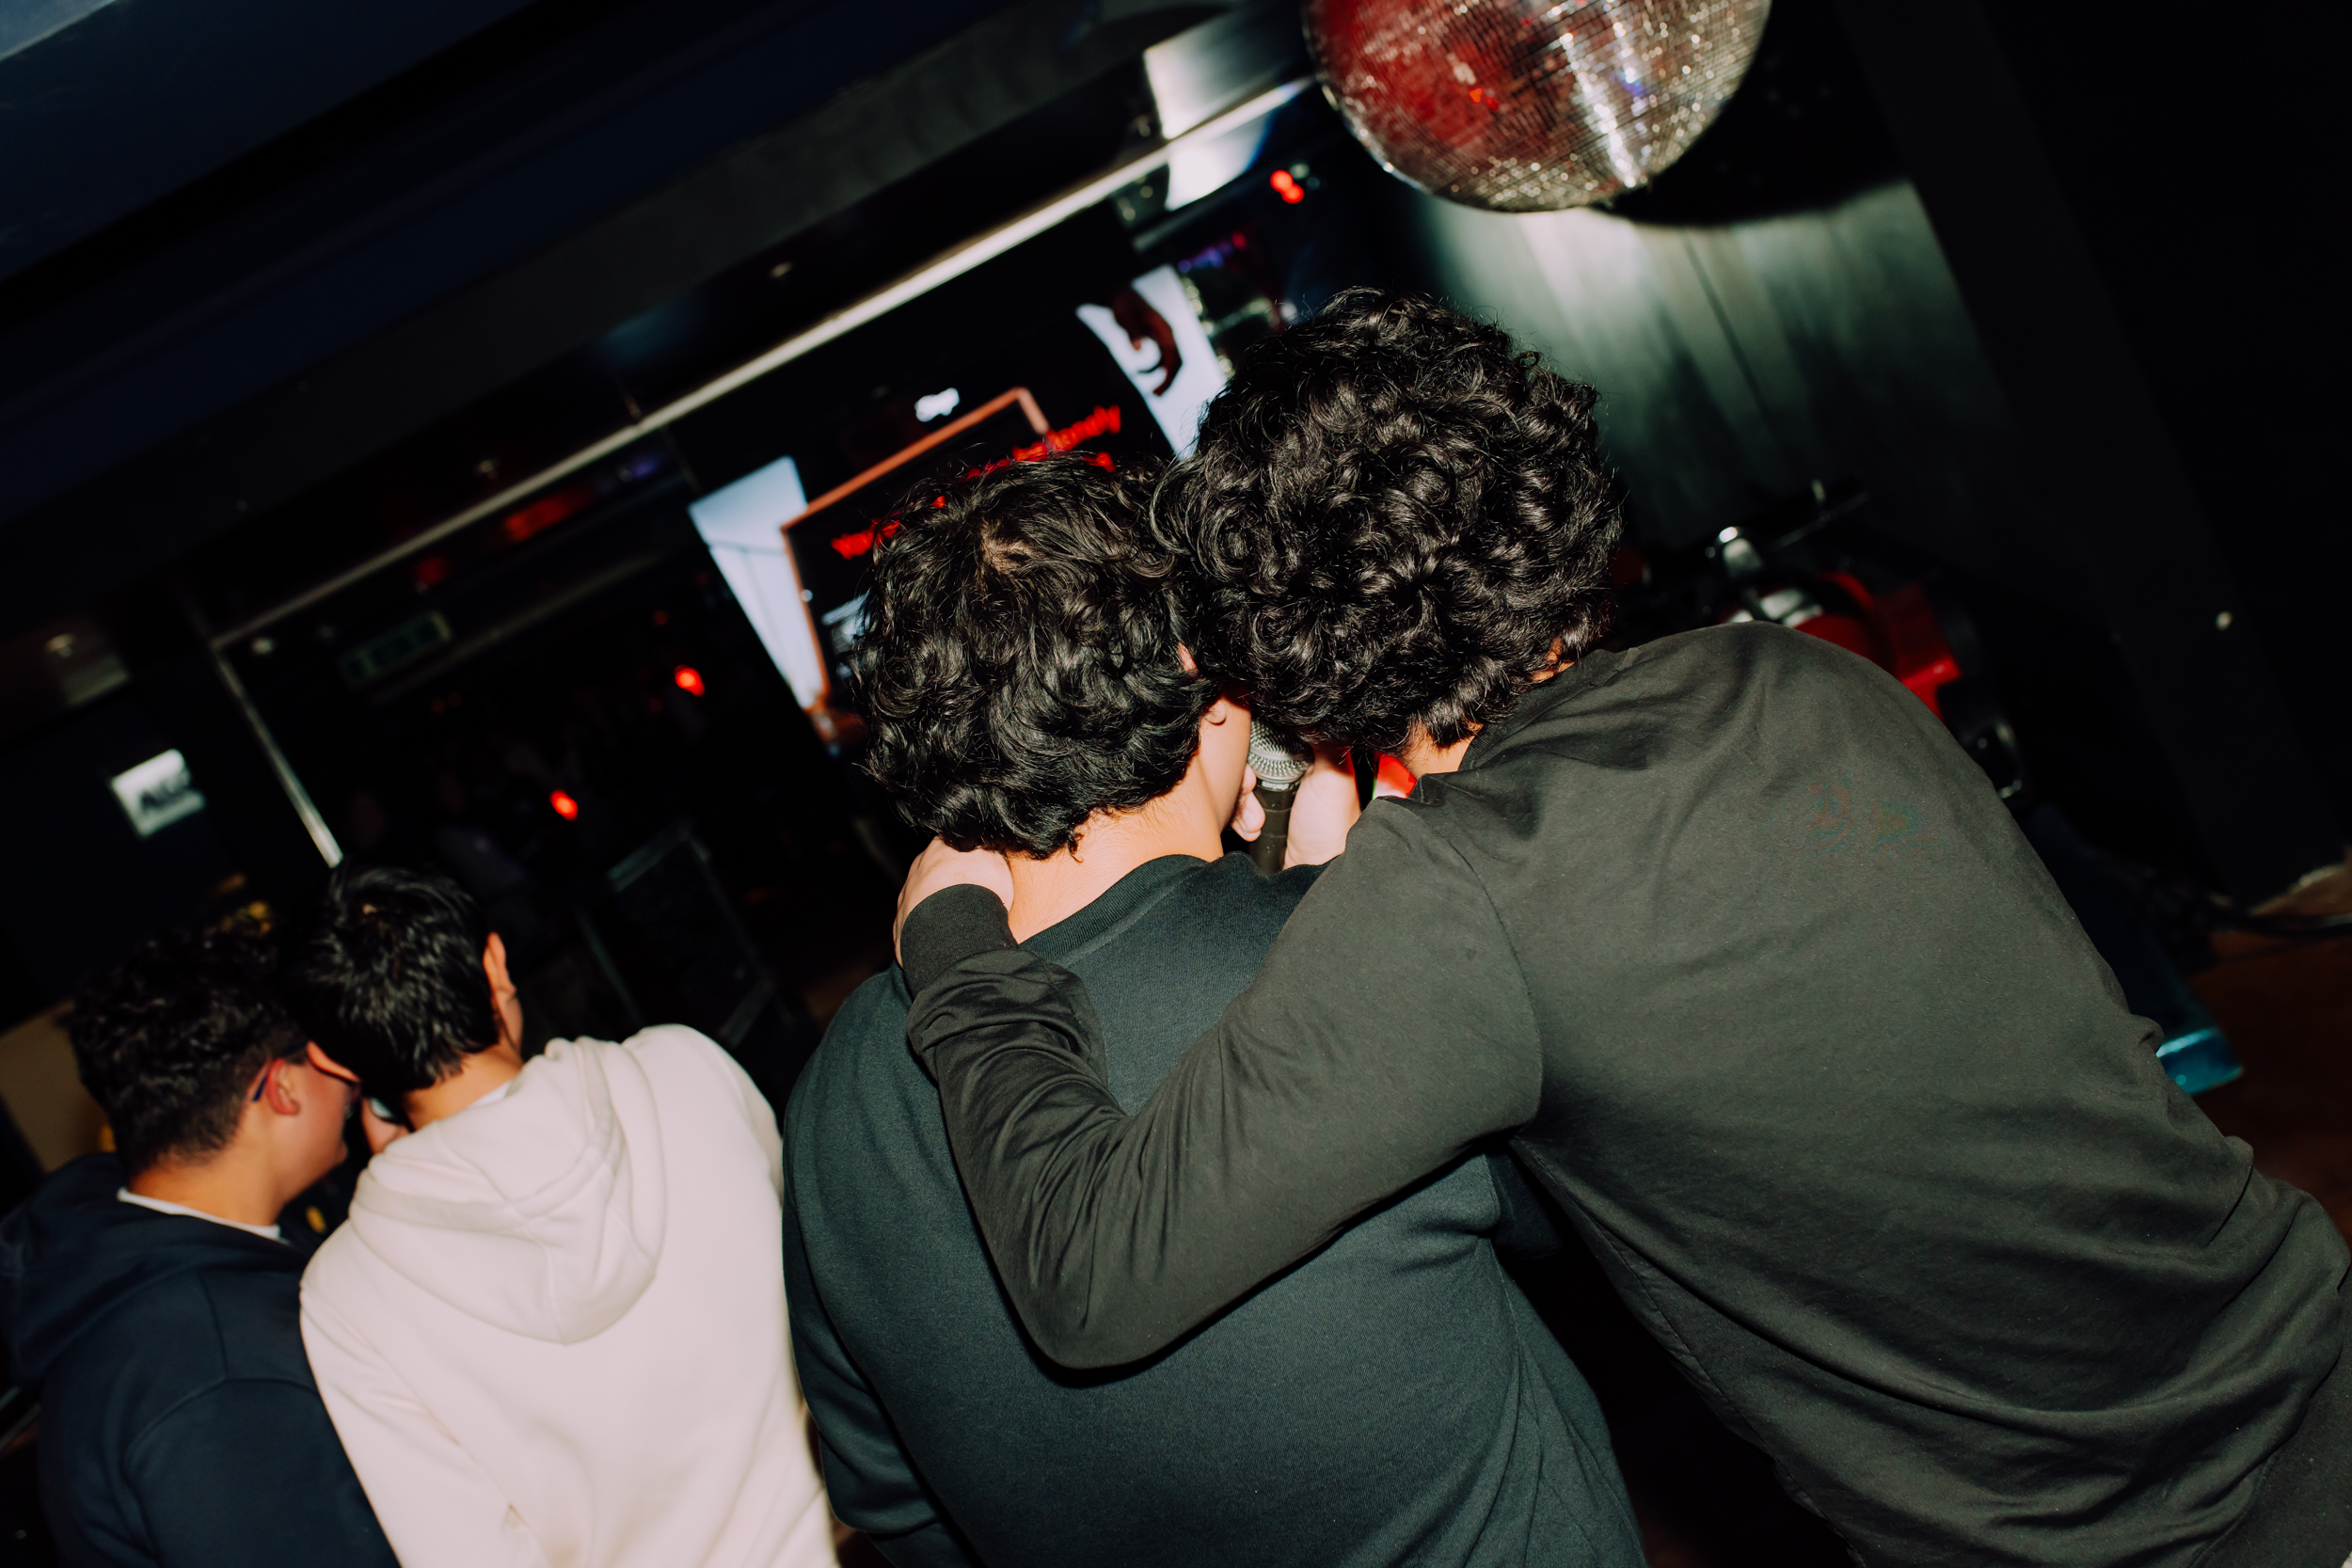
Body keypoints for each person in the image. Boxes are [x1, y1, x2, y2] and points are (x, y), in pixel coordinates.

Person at [893, 293, 2352, 1566]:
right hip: (2309, 1356)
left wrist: (956, 940)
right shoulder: (1797, 677)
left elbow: (1091, 1273)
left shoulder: (1457, 895)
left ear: (1288, 648)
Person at [787, 455, 1644, 1566]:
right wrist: (1341, 910)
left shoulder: (835, 1089)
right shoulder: (1341, 954)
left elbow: (891, 1499)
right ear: (1206, 672)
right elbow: (1571, 1219)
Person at [281, 866, 834, 1568]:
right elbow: (825, 1286)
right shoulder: (683, 1066)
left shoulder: (346, 1296)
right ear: (495, 964)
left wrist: (413, 1174)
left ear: (332, 1059)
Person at [0, 920, 395, 1568]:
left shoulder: (156, 1272)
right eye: (327, 1054)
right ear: (282, 1086)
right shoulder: (219, 1380)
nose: (351, 1078)